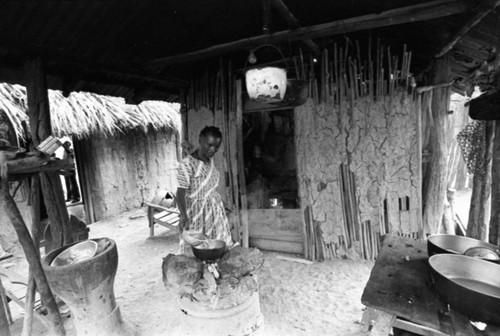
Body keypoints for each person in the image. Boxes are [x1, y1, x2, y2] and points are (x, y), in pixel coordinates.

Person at [176, 126, 233, 253]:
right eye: (209, 144)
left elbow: (209, 189)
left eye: (217, 146)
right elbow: (180, 193)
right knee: (198, 247)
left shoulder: (210, 161)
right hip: (197, 212)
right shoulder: (187, 164)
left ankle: (214, 269)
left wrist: (222, 203)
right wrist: (184, 216)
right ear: (200, 140)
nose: (213, 149)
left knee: (216, 246)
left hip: (214, 211)